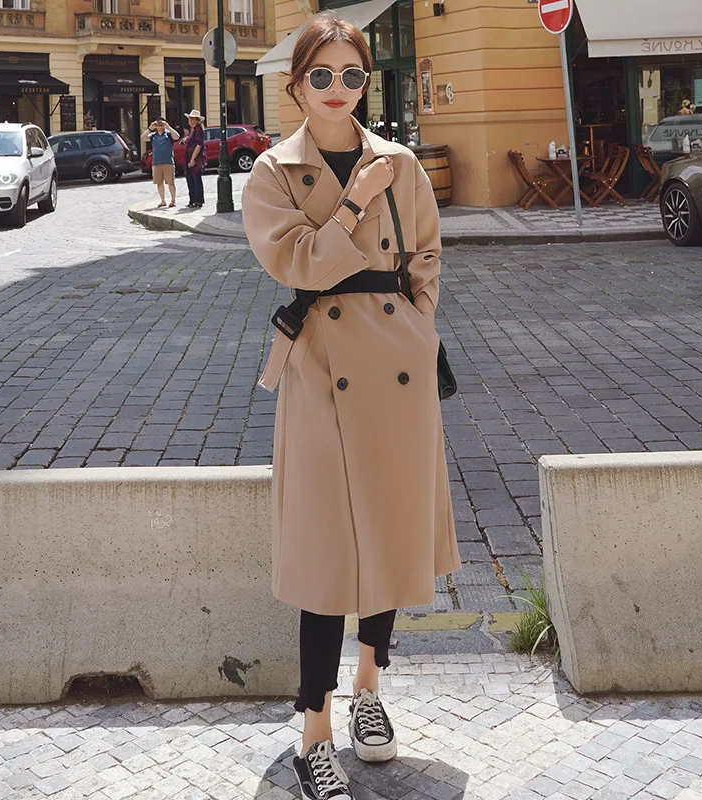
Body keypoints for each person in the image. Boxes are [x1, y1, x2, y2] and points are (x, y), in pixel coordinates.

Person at [241, 12, 461, 800]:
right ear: (296, 85)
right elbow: (298, 264)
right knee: (325, 554)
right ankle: (314, 731)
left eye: (353, 76)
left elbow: (427, 255)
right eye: (322, 76)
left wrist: (416, 329)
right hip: (322, 372)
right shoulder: (272, 173)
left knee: (391, 535)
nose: (339, 90)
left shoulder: (401, 163)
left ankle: (369, 686)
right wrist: (353, 204)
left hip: (396, 369)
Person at [141, 117, 178, 208]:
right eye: (158, 123)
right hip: (156, 163)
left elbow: (177, 136)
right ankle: (162, 200)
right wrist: (150, 128)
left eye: (162, 123)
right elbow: (143, 137)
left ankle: (173, 200)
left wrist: (168, 127)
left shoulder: (168, 134)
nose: (160, 125)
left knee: (170, 182)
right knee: (159, 182)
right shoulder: (153, 135)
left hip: (168, 162)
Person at [183, 109, 207, 208]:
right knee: (190, 179)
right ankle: (193, 200)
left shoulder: (199, 130)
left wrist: (193, 159)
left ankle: (198, 200)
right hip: (190, 158)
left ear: (197, 120)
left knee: (196, 180)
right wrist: (187, 139)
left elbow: (199, 145)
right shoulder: (194, 130)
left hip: (195, 159)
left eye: (192, 119)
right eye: (189, 118)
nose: (190, 121)